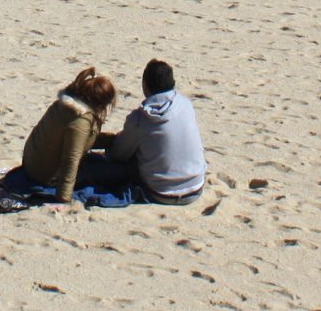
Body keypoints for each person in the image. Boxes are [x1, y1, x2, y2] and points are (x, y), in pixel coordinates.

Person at [91, 59, 208, 204]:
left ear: (145, 86)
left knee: (102, 166)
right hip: (196, 186)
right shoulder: (186, 105)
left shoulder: (140, 118)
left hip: (160, 192)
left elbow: (118, 154)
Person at [16, 68, 116, 207]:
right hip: (45, 175)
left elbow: (79, 140)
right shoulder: (81, 120)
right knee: (115, 173)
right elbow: (71, 158)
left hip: (32, 164)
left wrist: (112, 140)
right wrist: (64, 197)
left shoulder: (64, 105)